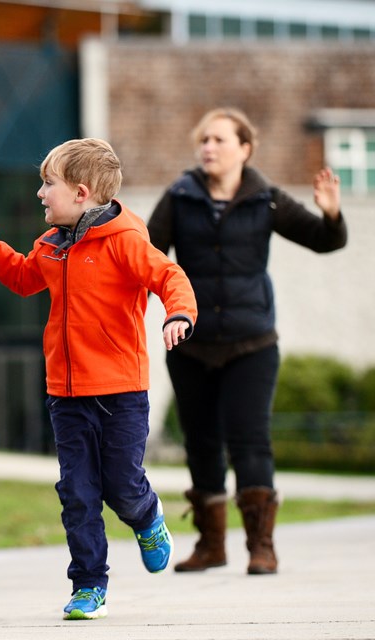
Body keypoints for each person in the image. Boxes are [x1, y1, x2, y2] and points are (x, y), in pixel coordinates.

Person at [0, 138, 197, 620]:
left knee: (122, 486)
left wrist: (178, 316)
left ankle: (147, 516)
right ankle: (89, 585)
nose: (40, 194)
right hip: (65, 394)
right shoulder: (50, 246)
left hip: (121, 392)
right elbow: (23, 278)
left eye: (48, 184)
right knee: (78, 493)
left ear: (82, 193)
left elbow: (170, 277)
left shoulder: (127, 240)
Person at [147, 107, 348, 576]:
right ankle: (211, 545)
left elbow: (324, 240)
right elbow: (148, 254)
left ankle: (262, 546)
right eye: (203, 141)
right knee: (201, 443)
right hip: (190, 341)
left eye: (218, 140)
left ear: (245, 149)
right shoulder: (179, 196)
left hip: (251, 343)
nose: (208, 148)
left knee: (251, 442)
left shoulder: (267, 199)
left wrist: (332, 212)